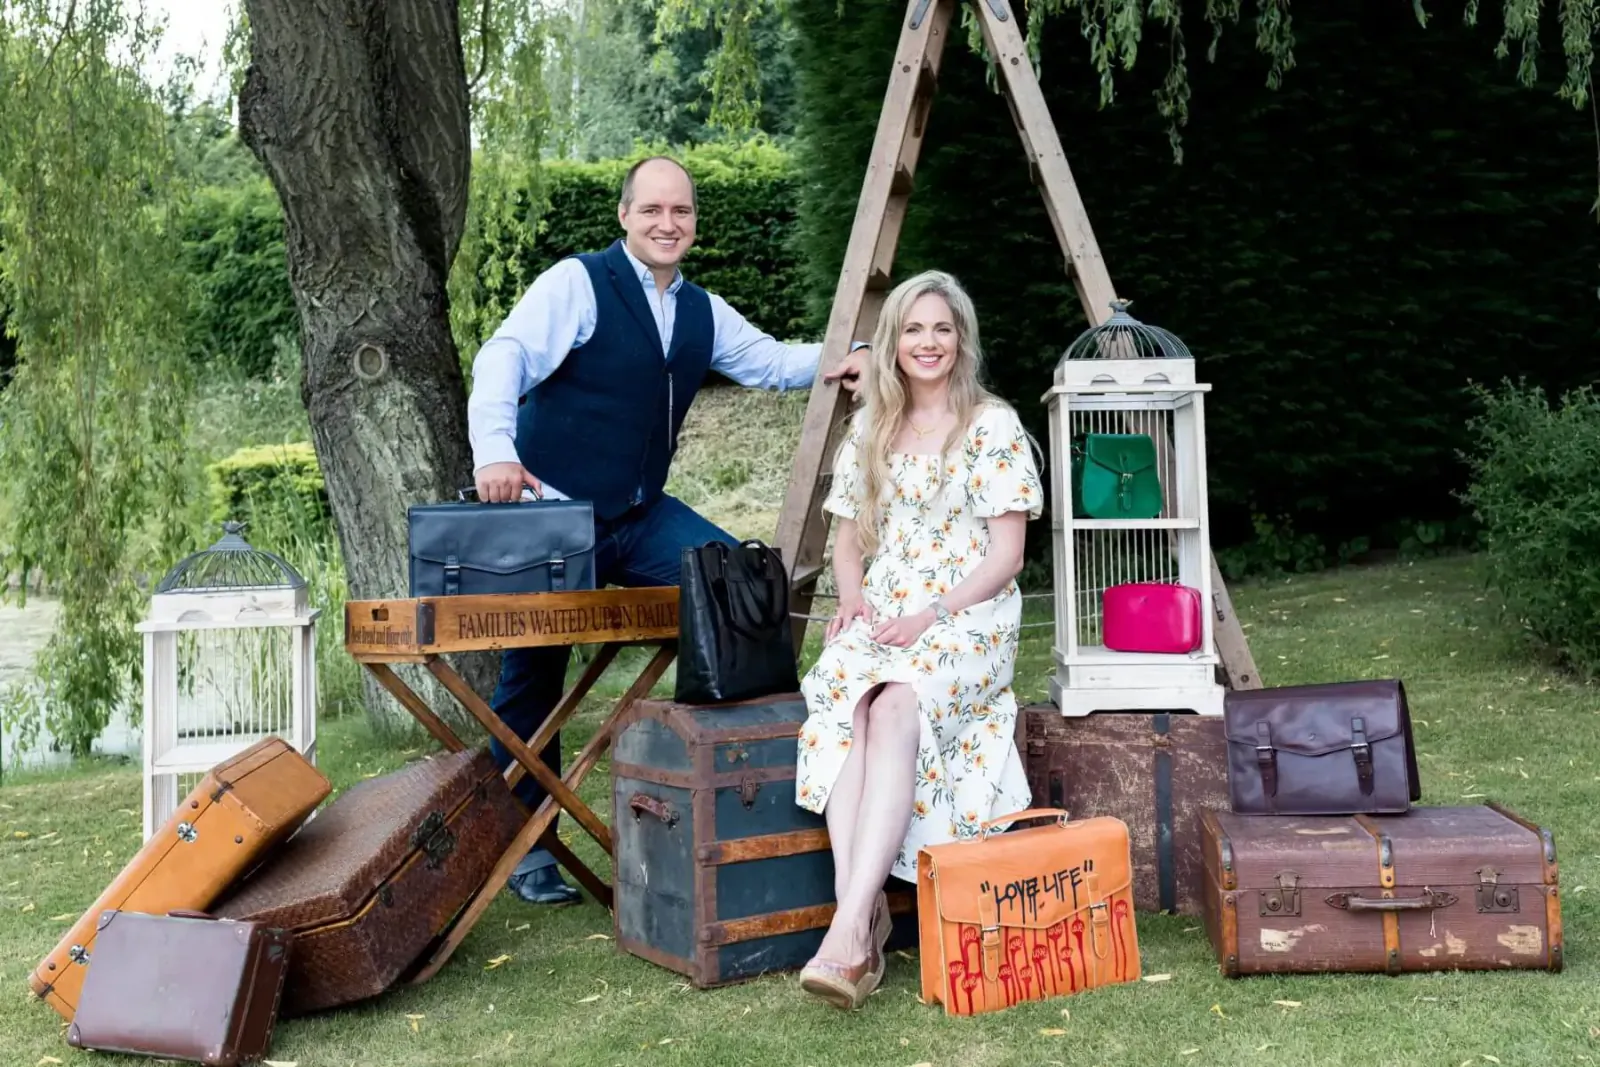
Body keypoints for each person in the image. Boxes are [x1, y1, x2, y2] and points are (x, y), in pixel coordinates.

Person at [466, 155, 867, 906]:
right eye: (651, 209)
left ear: (694, 223)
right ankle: (526, 842)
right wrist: (496, 451)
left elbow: (773, 362)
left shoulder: (701, 310)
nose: (666, 223)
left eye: (680, 211)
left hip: (640, 510)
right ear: (624, 216)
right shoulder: (577, 283)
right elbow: (504, 355)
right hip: (554, 510)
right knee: (534, 669)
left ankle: (728, 787)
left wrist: (853, 359)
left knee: (740, 592)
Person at [791, 269, 1043, 1010]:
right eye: (913, 330)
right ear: (893, 344)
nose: (927, 342)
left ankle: (847, 927)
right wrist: (855, 597)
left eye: (942, 328)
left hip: (967, 614)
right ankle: (859, 917)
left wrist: (931, 613)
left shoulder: (991, 424)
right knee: (844, 692)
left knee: (895, 703)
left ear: (960, 338)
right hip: (887, 611)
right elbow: (845, 540)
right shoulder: (870, 426)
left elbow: (1008, 556)